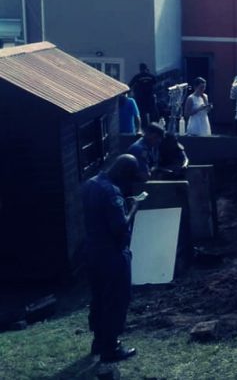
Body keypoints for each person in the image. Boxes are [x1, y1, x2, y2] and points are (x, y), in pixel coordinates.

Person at [81, 154, 144, 363]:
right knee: (117, 299)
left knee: (98, 298)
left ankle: (99, 341)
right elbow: (119, 228)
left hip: (92, 251)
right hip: (112, 254)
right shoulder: (111, 192)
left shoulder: (90, 184)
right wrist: (133, 207)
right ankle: (110, 348)